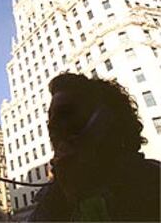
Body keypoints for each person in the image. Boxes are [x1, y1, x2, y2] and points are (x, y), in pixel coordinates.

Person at [29, 73, 160, 221]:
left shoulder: (152, 182)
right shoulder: (51, 200)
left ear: (104, 119)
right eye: (50, 118)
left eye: (65, 113)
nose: (51, 125)